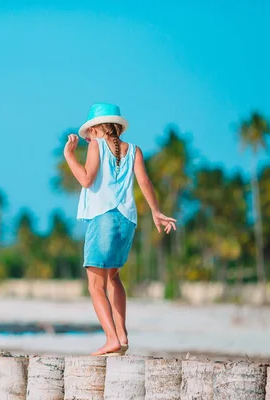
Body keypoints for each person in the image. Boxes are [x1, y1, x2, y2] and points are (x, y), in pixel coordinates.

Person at [64, 103, 177, 356]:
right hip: (127, 221)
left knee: (95, 286)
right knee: (113, 278)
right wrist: (156, 212)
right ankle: (123, 336)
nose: (87, 139)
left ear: (97, 129)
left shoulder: (96, 145)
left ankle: (111, 338)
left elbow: (85, 179)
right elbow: (145, 181)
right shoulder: (135, 150)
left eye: (89, 133)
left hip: (102, 219)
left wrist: (69, 155)